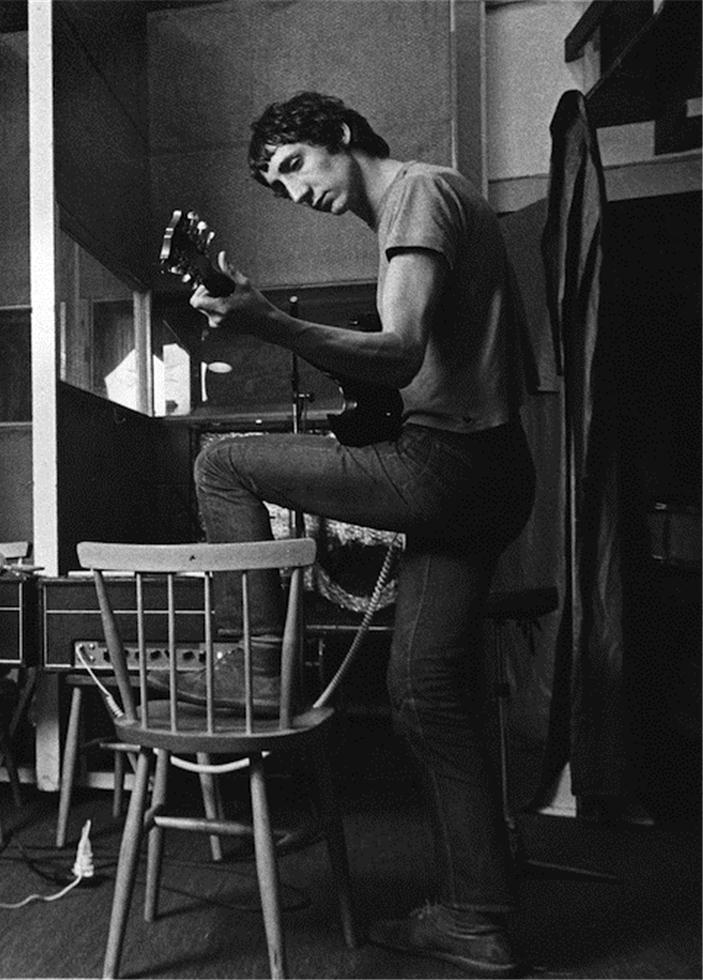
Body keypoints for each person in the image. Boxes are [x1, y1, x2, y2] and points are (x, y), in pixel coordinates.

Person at [190, 92, 535, 977]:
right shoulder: (431, 201)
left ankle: (252, 660)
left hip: (446, 470)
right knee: (424, 693)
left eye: (296, 166)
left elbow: (401, 348)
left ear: (339, 136)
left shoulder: (416, 194)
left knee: (223, 461)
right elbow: (424, 367)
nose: (295, 192)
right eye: (278, 185)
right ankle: (477, 916)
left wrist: (264, 320)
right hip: (491, 474)